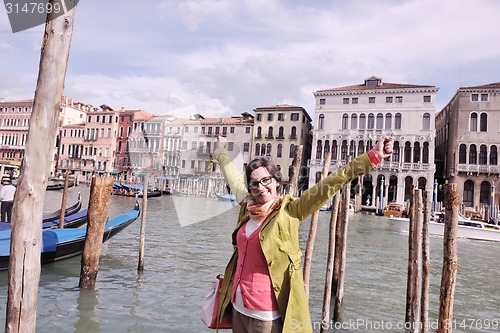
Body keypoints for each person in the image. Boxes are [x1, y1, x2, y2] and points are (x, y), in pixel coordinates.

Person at [211, 135, 394, 333]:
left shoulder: (292, 210)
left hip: (265, 315)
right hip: (238, 307)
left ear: (277, 181)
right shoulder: (247, 205)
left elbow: (332, 183)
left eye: (266, 180)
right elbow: (231, 174)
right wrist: (220, 150)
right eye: (254, 183)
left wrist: (372, 156)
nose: (261, 188)